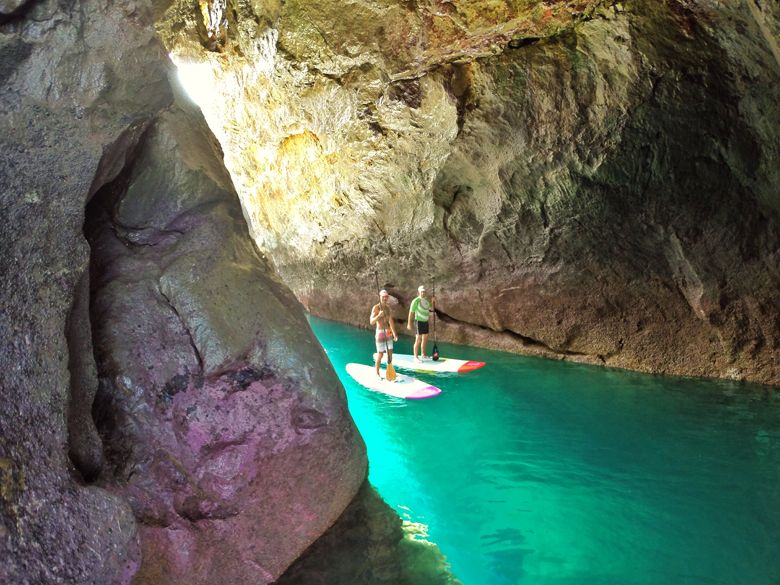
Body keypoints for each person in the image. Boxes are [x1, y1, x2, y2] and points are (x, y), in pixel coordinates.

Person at [370, 289, 398, 379]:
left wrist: (394, 333)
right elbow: (371, 322)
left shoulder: (388, 308)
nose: (385, 298)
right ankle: (377, 373)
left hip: (388, 332)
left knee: (390, 353)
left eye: (386, 297)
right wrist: (379, 316)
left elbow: (390, 321)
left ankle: (389, 370)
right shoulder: (376, 308)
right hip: (380, 332)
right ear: (380, 297)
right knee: (380, 354)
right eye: (383, 296)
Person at [407, 285, 434, 362]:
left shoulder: (426, 301)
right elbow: (411, 312)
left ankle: (423, 354)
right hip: (418, 322)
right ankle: (415, 357)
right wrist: (409, 323)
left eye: (424, 291)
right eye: (421, 292)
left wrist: (432, 301)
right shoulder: (416, 300)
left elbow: (430, 307)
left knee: (425, 338)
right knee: (418, 339)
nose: (423, 293)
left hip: (425, 322)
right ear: (418, 292)